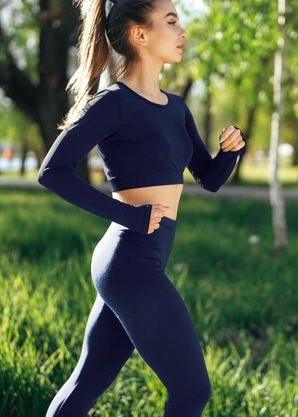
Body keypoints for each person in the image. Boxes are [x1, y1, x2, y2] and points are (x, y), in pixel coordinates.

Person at [37, 0, 246, 416]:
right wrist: (130, 216)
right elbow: (53, 171)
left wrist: (229, 153)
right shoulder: (112, 103)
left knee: (85, 385)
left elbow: (208, 177)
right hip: (131, 262)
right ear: (140, 34)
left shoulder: (177, 108)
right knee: (192, 392)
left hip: (139, 261)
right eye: (172, 22)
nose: (182, 31)